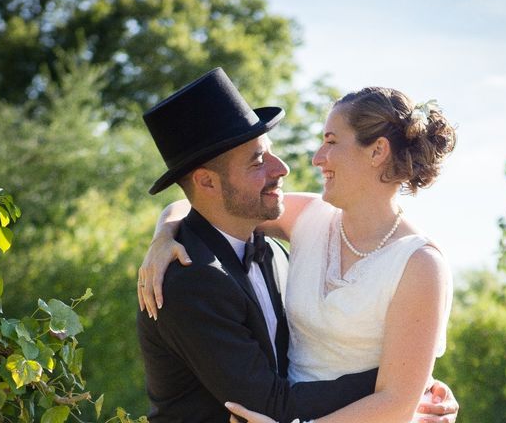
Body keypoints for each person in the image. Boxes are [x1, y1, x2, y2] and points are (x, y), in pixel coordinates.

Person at [139, 72, 458, 423]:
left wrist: (405, 389)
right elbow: (203, 207)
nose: (313, 159)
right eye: (258, 161)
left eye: (331, 142)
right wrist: (165, 233)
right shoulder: (305, 219)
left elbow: (395, 400)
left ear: (378, 150)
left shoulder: (418, 262)